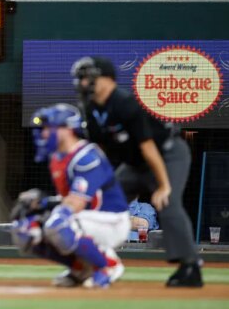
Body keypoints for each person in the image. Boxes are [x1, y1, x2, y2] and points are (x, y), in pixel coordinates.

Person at [70, 56, 203, 287]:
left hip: (167, 155)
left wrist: (163, 186)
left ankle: (190, 266)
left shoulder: (125, 103)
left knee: (167, 202)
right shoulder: (90, 108)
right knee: (103, 203)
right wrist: (96, 185)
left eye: (88, 78)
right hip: (134, 164)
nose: (83, 83)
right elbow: (100, 151)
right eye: (81, 79)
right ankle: (92, 261)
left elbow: (148, 147)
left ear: (107, 79)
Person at [11, 103, 130, 289]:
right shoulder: (57, 158)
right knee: (26, 230)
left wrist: (52, 212)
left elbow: (77, 202)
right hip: (87, 217)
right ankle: (81, 269)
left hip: (112, 221)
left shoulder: (87, 156)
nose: (43, 134)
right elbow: (69, 199)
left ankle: (108, 266)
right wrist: (42, 203)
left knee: (58, 223)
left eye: (48, 128)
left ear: (67, 129)